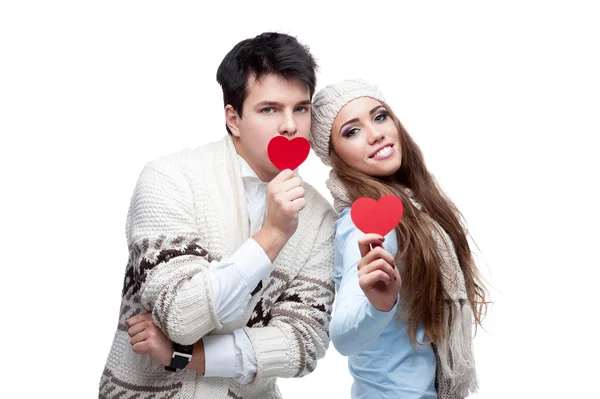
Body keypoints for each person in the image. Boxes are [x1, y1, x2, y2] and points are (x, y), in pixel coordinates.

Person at [99, 32, 337, 399]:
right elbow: (179, 315)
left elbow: (303, 344)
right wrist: (272, 235)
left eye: (300, 108)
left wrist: (185, 356)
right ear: (234, 118)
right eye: (269, 109)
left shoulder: (320, 217)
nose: (290, 125)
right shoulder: (169, 178)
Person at [309, 79, 488, 399]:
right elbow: (343, 337)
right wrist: (379, 304)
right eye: (352, 131)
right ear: (336, 157)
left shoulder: (412, 206)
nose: (375, 133)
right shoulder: (363, 225)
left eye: (379, 116)